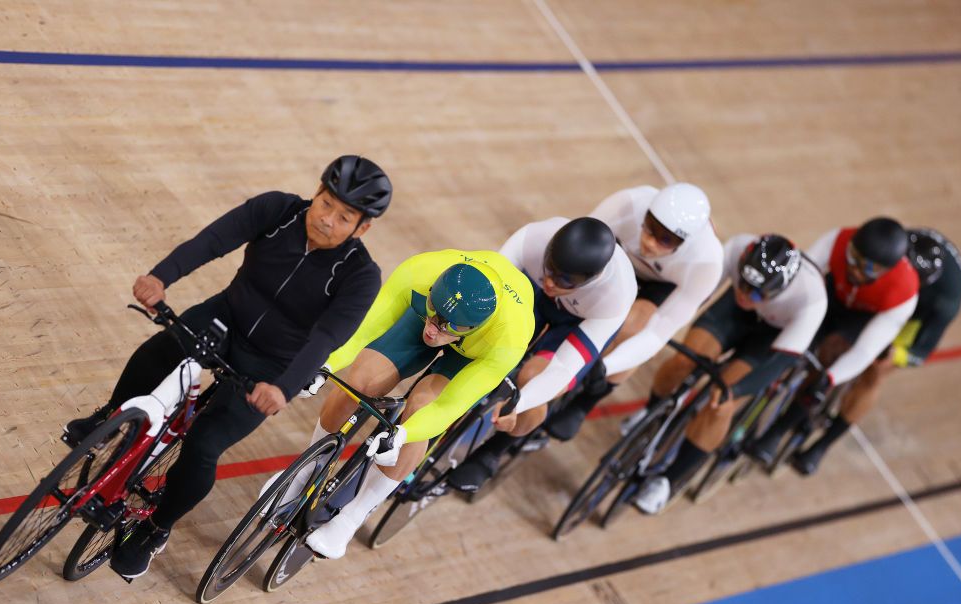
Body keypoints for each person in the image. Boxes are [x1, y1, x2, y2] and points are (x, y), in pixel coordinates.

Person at [63, 155, 392, 578]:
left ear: (362, 228)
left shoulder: (360, 277)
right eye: (325, 203)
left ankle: (156, 528)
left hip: (272, 364)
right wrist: (162, 277)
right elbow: (214, 240)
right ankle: (107, 418)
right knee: (157, 352)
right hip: (225, 319)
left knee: (204, 446)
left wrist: (283, 388)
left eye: (344, 216)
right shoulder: (278, 211)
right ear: (317, 192)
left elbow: (326, 339)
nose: (328, 219)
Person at [301, 248, 536, 560]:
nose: (433, 329)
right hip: (450, 312)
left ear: (472, 327)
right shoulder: (423, 271)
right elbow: (363, 332)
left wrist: (403, 435)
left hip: (474, 355)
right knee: (360, 380)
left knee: (423, 407)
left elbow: (449, 408)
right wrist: (326, 365)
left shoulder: (509, 339)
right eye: (434, 314)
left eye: (447, 326)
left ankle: (352, 517)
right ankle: (305, 472)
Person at [633, 234, 828, 513]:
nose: (747, 295)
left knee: (721, 403)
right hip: (733, 315)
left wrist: (733, 392)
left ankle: (667, 480)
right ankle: (651, 415)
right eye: (743, 284)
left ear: (780, 290)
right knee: (684, 359)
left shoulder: (811, 301)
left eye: (757, 293)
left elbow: (778, 362)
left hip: (771, 340)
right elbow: (695, 297)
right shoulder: (736, 249)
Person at [446, 216, 637, 492]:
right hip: (529, 292)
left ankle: (492, 452)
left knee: (535, 376)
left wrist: (519, 404)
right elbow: (485, 291)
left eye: (564, 280)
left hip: (577, 324)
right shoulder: (536, 237)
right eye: (550, 269)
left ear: (591, 280)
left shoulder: (615, 296)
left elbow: (561, 370)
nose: (550, 281)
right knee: (485, 334)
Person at [544, 183, 723, 441]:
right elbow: (575, 247)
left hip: (661, 285)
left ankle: (585, 402)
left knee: (632, 327)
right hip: (619, 259)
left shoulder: (706, 263)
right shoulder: (629, 203)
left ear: (685, 242)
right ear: (647, 213)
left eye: (665, 239)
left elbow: (656, 335)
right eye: (650, 227)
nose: (650, 243)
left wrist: (605, 366)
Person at [747, 217, 920, 475]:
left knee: (822, 374)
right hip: (829, 296)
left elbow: (865, 350)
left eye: (867, 269)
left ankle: (777, 432)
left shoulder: (904, 294)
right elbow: (800, 279)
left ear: (886, 271)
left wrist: (830, 378)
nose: (856, 270)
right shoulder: (838, 240)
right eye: (854, 258)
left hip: (859, 321)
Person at [787, 228, 961, 473]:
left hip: (913, 320)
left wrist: (890, 355)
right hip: (883, 294)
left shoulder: (944, 302)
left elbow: (919, 354)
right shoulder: (897, 246)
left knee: (874, 371)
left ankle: (823, 445)